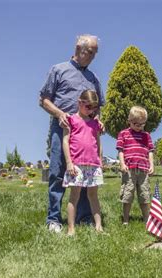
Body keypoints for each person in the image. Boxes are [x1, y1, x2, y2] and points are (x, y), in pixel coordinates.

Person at [39, 34, 105, 233]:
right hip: (63, 129)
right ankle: (54, 220)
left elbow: (98, 106)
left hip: (86, 133)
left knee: (86, 175)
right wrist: (59, 113)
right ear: (79, 49)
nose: (94, 57)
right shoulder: (58, 70)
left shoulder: (93, 78)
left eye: (95, 53)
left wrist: (98, 119)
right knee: (58, 172)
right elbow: (44, 99)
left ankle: (84, 218)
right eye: (91, 52)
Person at [63, 90, 104, 235]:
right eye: (88, 107)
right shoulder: (71, 120)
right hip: (76, 164)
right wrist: (69, 162)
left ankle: (98, 226)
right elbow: (66, 140)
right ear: (79, 102)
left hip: (93, 164)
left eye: (94, 107)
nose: (91, 110)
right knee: (74, 196)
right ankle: (71, 228)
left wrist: (100, 160)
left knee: (93, 196)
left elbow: (98, 142)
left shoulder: (95, 123)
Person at [116, 106, 155, 225]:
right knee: (128, 194)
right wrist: (122, 164)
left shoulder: (146, 135)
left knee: (145, 195)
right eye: (136, 124)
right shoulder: (123, 134)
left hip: (143, 170)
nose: (139, 127)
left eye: (142, 124)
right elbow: (121, 150)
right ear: (129, 121)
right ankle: (126, 220)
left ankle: (146, 219)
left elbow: (150, 151)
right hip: (129, 169)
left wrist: (151, 165)